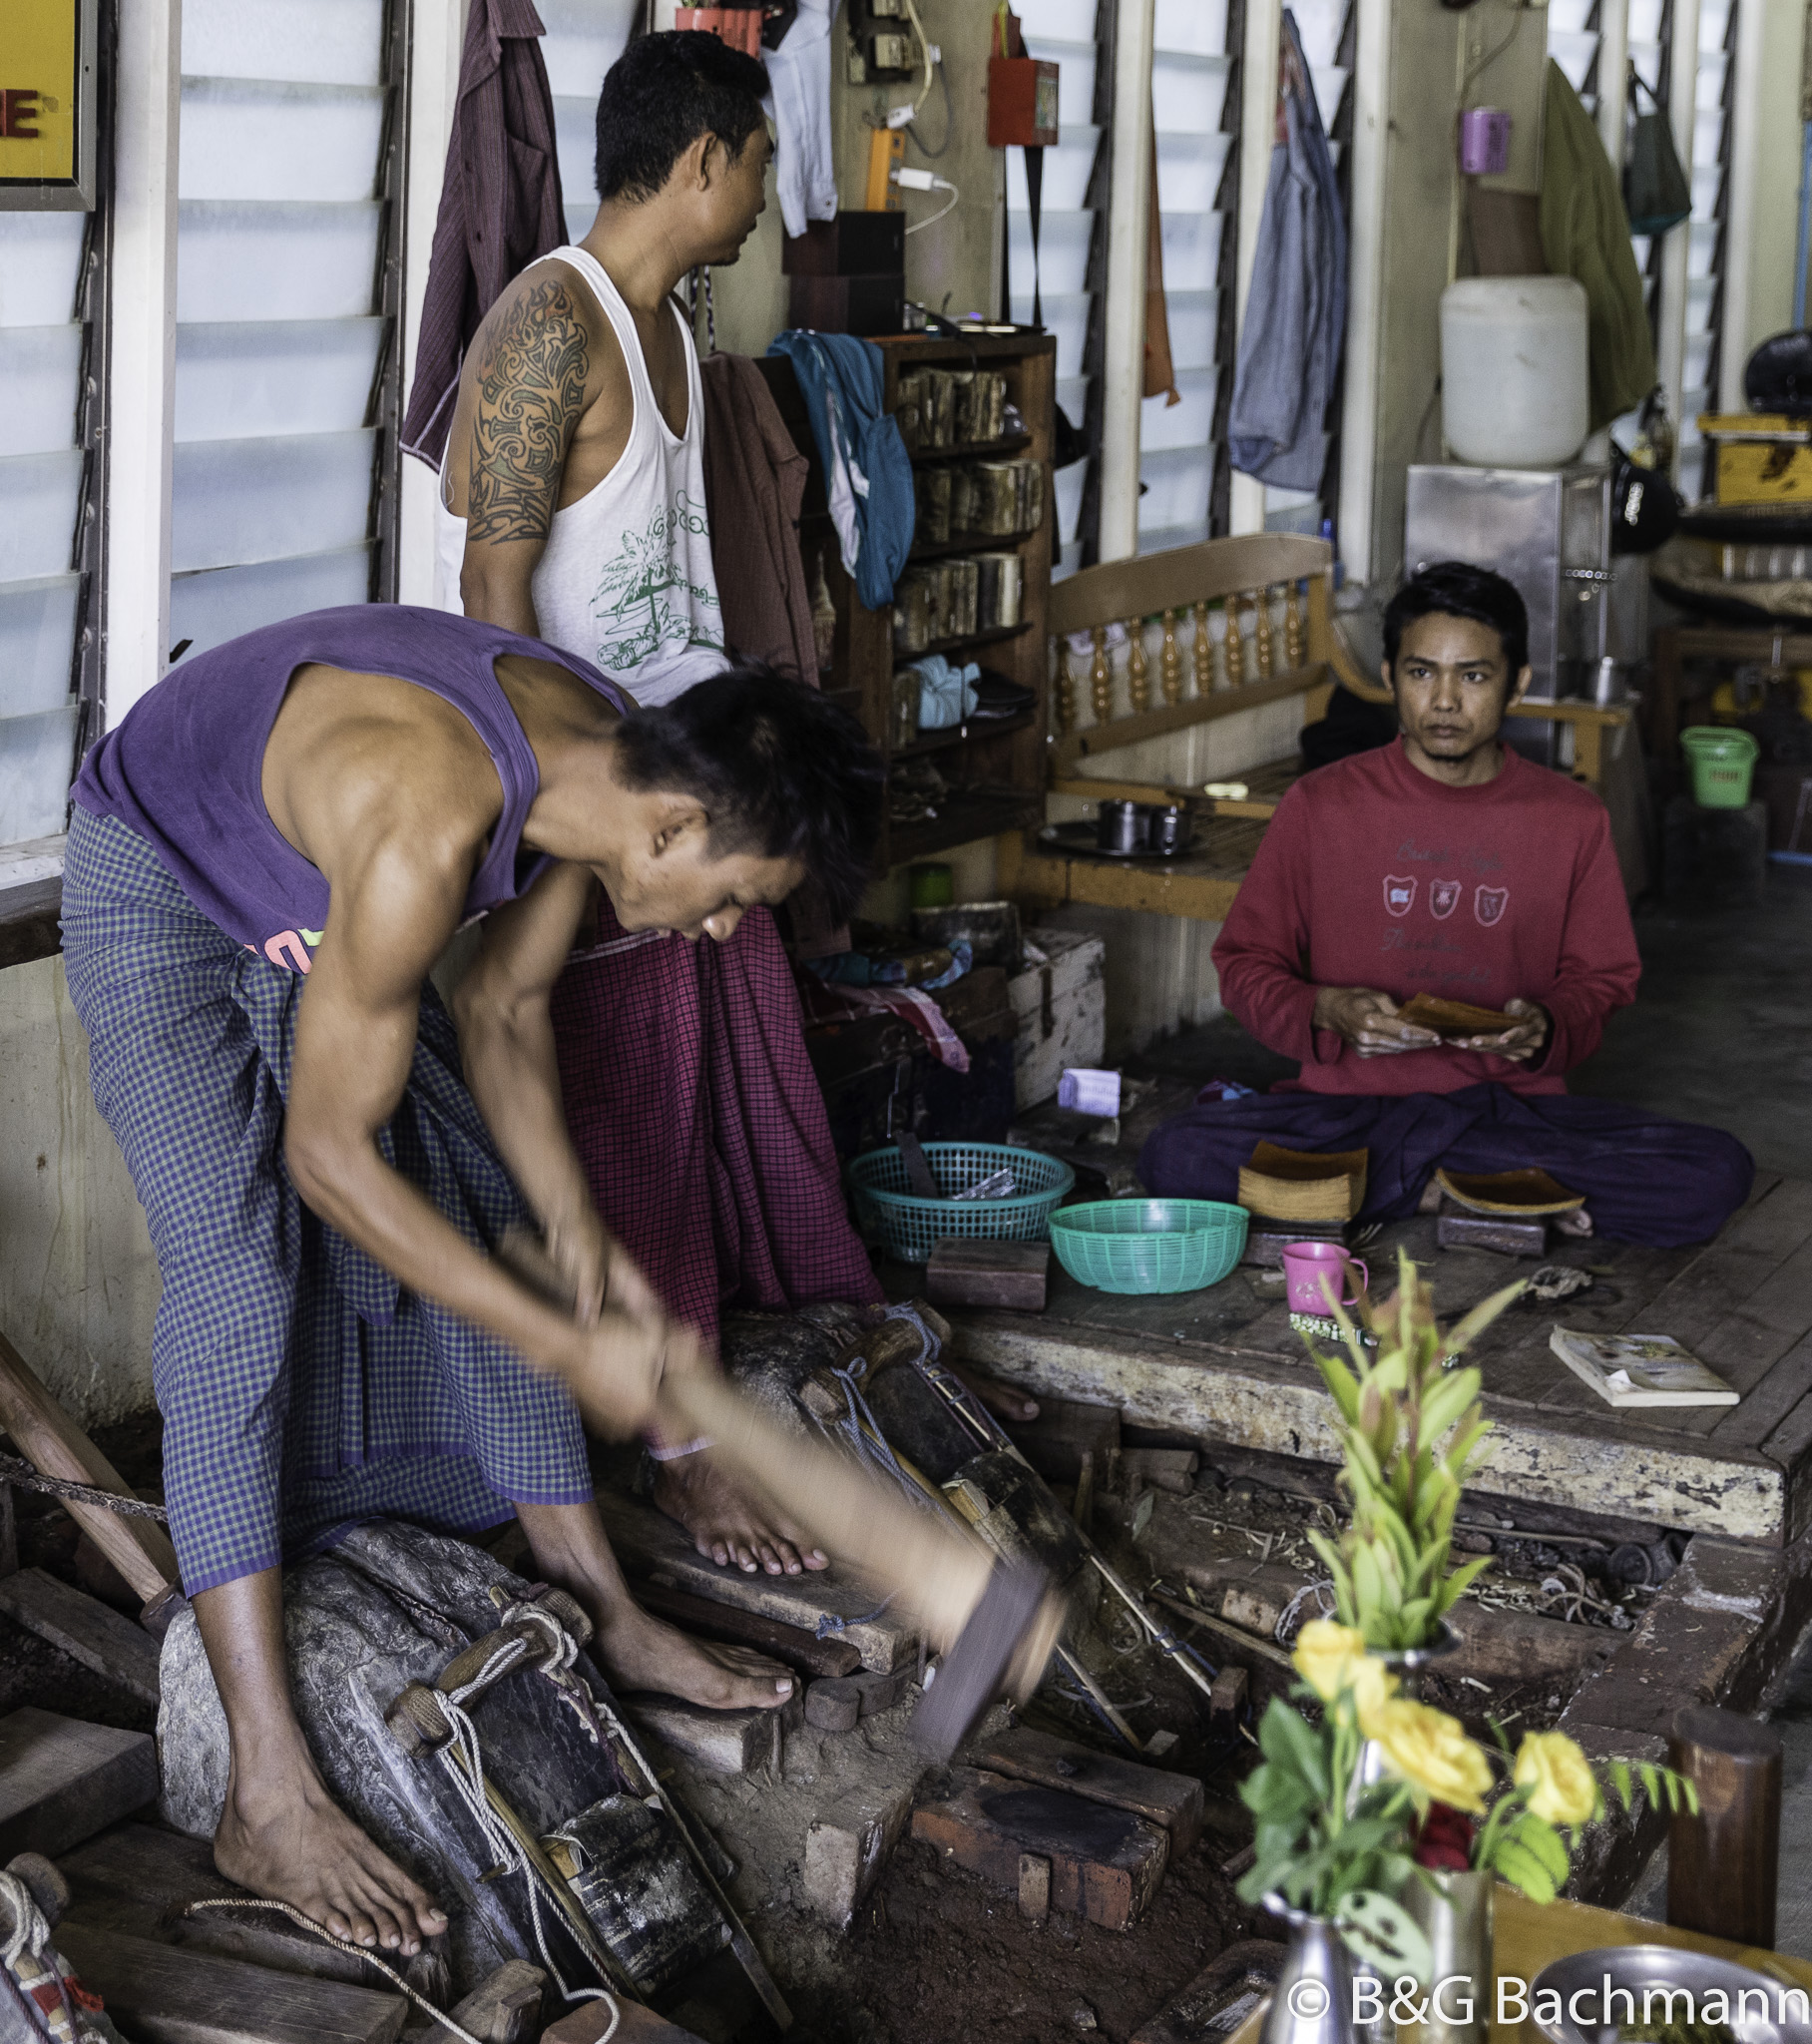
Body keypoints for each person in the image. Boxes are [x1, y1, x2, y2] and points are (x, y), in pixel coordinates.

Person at [60, 604, 882, 1956]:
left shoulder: (595, 775)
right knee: (242, 1281)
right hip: (160, 874)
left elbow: (502, 1015)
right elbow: (327, 1160)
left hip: (307, 875)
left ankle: (607, 1610)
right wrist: (564, 1343)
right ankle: (267, 1794)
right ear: (673, 827)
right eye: (738, 897)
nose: (732, 933)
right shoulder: (428, 820)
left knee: (483, 1200)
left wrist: (581, 1253)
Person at [431, 31, 1035, 1574]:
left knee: (746, 1099)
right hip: (610, 805)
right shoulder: (545, 324)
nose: (770, 193)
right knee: (627, 1122)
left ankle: (765, 1382)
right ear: (701, 157)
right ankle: (677, 1448)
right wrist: (556, 827)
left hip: (703, 786)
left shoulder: (676, 334)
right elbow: (489, 596)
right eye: (764, 160)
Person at [1139, 561, 1753, 1247]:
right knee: (1178, 1153)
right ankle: (1471, 1192)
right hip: (1345, 1111)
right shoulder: (1319, 805)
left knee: (1713, 1171)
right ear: (1389, 677)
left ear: (1516, 682)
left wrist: (1545, 1027)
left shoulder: (1570, 817)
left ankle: (1403, 1187)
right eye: (1422, 672)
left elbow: (1603, 981)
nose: (1444, 701)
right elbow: (1247, 962)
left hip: (1506, 1113)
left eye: (1474, 675)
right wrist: (1327, 1009)